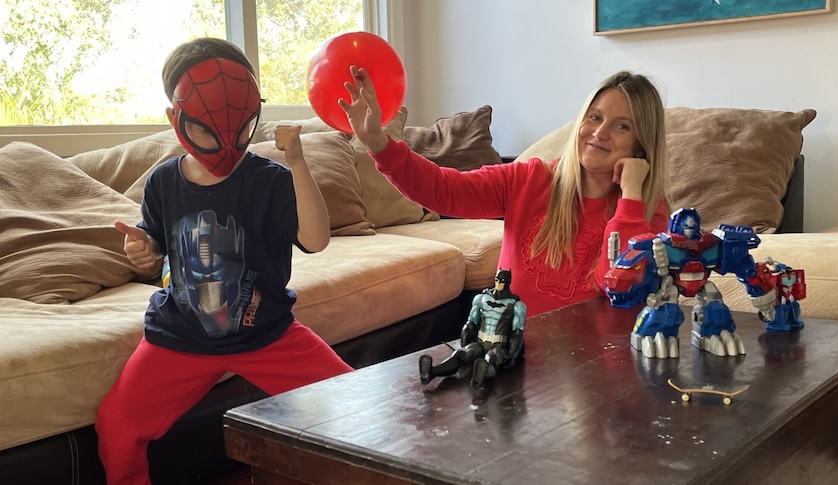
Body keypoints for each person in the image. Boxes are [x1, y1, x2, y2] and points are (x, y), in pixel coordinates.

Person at [95, 37, 352, 485]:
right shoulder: (162, 182)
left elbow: (316, 240)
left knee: (356, 403)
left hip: (267, 333)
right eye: (206, 131)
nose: (225, 144)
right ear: (176, 120)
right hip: (179, 336)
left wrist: (297, 162)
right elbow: (155, 254)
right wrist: (143, 250)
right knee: (115, 424)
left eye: (239, 128)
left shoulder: (271, 179)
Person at [340, 67, 671, 317]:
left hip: (593, 366)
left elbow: (619, 284)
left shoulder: (647, 212)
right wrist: (378, 143)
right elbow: (444, 189)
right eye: (595, 117)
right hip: (516, 356)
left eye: (622, 126)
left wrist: (631, 194)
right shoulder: (528, 179)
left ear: (641, 143)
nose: (599, 133)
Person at [419, 268, 527, 388]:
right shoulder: (481, 298)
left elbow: (517, 332)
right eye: (497, 279)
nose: (498, 283)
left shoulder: (516, 305)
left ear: (508, 282)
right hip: (480, 343)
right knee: (460, 354)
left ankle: (480, 377)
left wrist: (512, 354)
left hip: (499, 346)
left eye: (502, 280)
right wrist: (464, 341)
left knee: (491, 359)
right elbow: (471, 322)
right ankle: (431, 372)